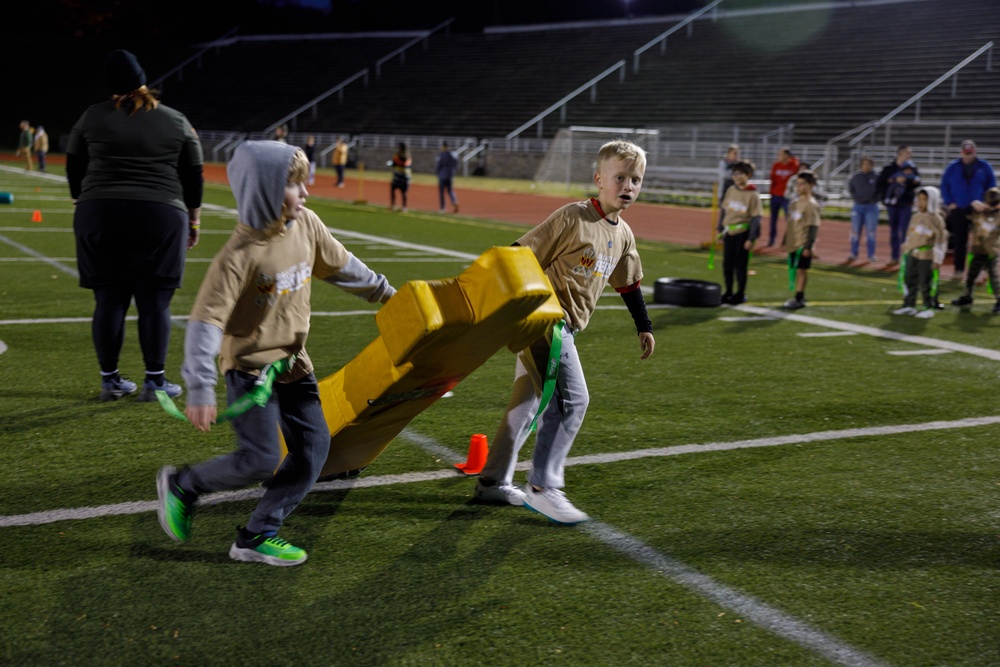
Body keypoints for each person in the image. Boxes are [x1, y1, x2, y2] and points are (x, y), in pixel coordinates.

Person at [156, 141, 396, 566]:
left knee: (313, 451)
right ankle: (183, 484)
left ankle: (256, 535)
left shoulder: (307, 225)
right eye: (294, 185)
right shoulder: (238, 255)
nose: (305, 193)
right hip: (249, 370)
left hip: (293, 363)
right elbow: (206, 322)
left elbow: (342, 266)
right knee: (261, 459)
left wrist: (387, 294)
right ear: (265, 190)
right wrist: (199, 386)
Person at [472, 140, 655, 524]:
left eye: (635, 180)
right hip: (545, 324)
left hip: (565, 326)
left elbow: (629, 284)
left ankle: (492, 481)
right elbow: (520, 251)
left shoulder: (623, 234)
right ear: (599, 180)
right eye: (619, 177)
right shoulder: (573, 216)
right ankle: (543, 487)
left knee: (524, 408)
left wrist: (644, 326)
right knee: (573, 401)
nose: (628, 186)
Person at [67, 50, 203, 401]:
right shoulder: (175, 120)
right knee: (155, 303)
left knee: (109, 301)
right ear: (145, 81)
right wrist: (194, 217)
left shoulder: (92, 116)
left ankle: (110, 380)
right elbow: (193, 170)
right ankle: (154, 381)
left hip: (99, 212)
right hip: (161, 213)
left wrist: (80, 198)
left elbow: (73, 159)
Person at [940, 140, 997, 279]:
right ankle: (958, 270)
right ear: (961, 153)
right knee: (960, 240)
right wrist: (950, 202)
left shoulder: (984, 166)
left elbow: (992, 187)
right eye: (966, 153)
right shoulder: (952, 167)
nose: (968, 156)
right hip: (959, 208)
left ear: (975, 152)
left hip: (979, 209)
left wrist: (987, 204)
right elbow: (944, 186)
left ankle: (980, 272)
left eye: (971, 153)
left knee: (981, 242)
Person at [893, 186, 948, 319]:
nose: (920, 203)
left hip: (926, 255)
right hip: (912, 254)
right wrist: (906, 246)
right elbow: (910, 234)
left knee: (925, 282)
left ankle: (928, 307)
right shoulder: (915, 217)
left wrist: (938, 258)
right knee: (909, 279)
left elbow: (941, 241)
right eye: (919, 199)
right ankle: (909, 305)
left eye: (924, 200)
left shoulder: (936, 219)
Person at [716, 160, 761, 304]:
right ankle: (728, 291)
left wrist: (751, 238)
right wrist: (721, 229)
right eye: (735, 173)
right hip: (729, 233)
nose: (737, 176)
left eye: (741, 174)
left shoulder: (752, 194)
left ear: (748, 175)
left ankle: (740, 293)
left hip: (743, 234)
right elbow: (724, 210)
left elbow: (756, 217)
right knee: (727, 265)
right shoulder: (731, 190)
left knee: (740, 266)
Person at [951, 186, 1000, 313]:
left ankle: (999, 301)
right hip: (978, 249)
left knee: (995, 277)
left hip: (992, 251)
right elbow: (964, 214)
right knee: (971, 276)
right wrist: (972, 205)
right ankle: (967, 296)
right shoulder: (978, 212)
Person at [782, 170, 821, 310]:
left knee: (801, 270)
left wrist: (808, 246)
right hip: (793, 242)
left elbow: (813, 226)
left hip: (803, 243)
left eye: (802, 184)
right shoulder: (794, 203)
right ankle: (797, 295)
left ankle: (799, 296)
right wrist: (785, 240)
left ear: (811, 185)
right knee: (795, 269)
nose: (799, 187)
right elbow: (791, 223)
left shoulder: (811, 204)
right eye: (797, 184)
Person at [876, 145, 920, 266]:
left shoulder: (912, 167)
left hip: (906, 203)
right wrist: (885, 199)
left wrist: (905, 181)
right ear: (900, 153)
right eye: (908, 152)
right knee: (894, 231)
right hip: (892, 204)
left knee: (905, 231)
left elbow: (917, 182)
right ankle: (894, 256)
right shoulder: (889, 168)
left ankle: (905, 257)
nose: (910, 155)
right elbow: (880, 183)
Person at [846, 156, 879, 263]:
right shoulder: (856, 177)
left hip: (871, 207)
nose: (866, 166)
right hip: (858, 206)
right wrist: (856, 198)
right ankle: (853, 253)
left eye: (868, 164)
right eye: (864, 164)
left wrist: (875, 199)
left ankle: (871, 255)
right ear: (861, 166)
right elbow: (851, 188)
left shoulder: (876, 177)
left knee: (871, 232)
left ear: (872, 165)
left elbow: (881, 190)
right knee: (855, 231)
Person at [767, 147, 800, 246]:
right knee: (773, 220)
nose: (779, 156)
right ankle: (771, 240)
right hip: (775, 196)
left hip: (787, 197)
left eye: (781, 154)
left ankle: (787, 240)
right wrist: (771, 193)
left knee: (789, 219)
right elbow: (772, 180)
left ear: (787, 155)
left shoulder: (794, 165)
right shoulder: (776, 165)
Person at [435, 141, 460, 213]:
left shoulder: (442, 155)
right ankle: (454, 201)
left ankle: (442, 208)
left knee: (442, 192)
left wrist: (438, 172)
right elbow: (456, 165)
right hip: (450, 175)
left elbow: (439, 165)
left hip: (443, 175)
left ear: (444, 147)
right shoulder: (454, 154)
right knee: (450, 190)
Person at [388, 142, 412, 212]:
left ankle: (394, 206)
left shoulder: (398, 156)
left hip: (400, 176)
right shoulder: (408, 156)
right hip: (405, 176)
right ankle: (403, 207)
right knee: (402, 192)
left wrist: (393, 163)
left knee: (395, 190)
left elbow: (396, 163)